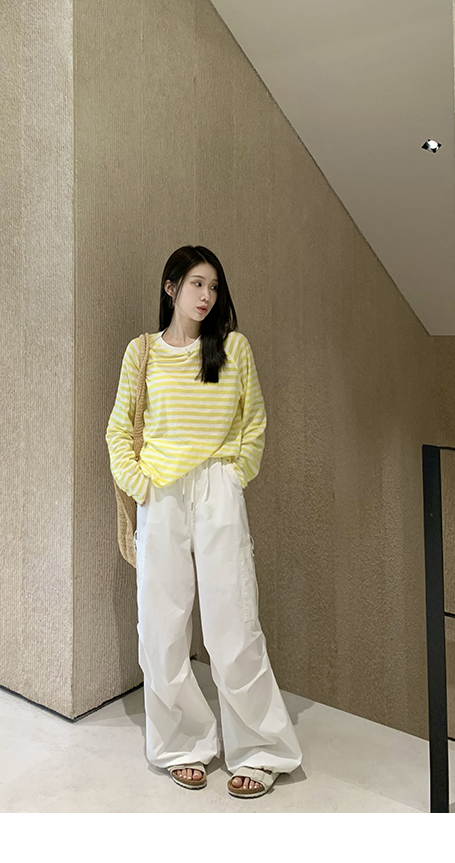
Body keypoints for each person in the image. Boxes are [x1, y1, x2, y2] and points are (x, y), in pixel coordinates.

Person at [106, 245, 303, 801]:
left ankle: (261, 750)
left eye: (214, 287)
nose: (207, 296)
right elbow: (118, 429)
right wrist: (141, 484)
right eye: (197, 284)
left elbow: (254, 421)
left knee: (233, 623)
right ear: (171, 288)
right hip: (161, 492)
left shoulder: (233, 348)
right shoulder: (142, 351)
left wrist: (235, 475)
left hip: (218, 488)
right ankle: (182, 746)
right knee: (161, 627)